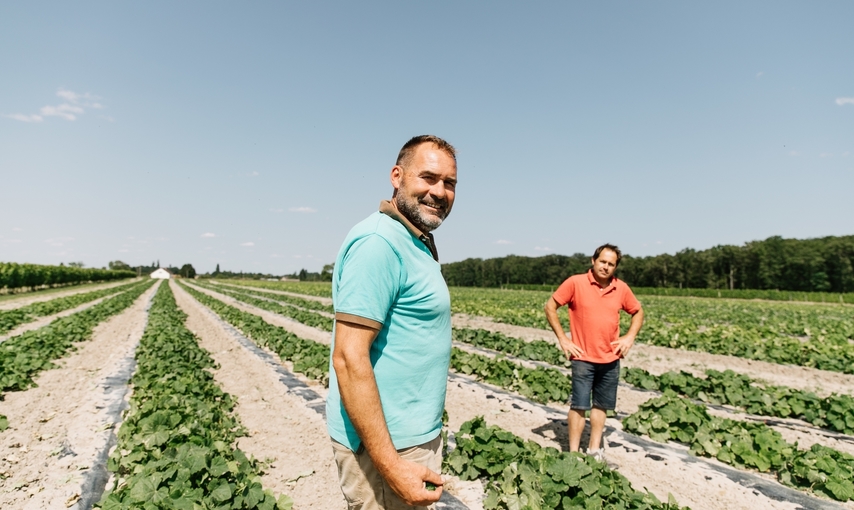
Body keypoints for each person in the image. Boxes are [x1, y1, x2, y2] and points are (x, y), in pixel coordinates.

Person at [327, 135, 458, 509]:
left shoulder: (414, 239)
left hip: (407, 439)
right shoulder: (379, 243)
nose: (439, 191)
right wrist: (392, 466)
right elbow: (349, 359)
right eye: (428, 178)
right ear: (396, 176)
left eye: (449, 183)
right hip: (387, 449)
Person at [543, 244, 644, 461]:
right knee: (579, 405)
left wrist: (629, 337)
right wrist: (563, 339)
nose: (606, 267)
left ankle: (594, 450)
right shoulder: (575, 283)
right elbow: (550, 307)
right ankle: (572, 454)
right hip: (582, 357)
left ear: (615, 267)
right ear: (593, 261)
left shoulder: (621, 288)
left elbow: (638, 311)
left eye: (611, 264)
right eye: (603, 262)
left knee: (601, 405)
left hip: (610, 358)